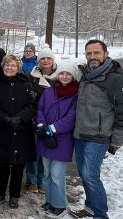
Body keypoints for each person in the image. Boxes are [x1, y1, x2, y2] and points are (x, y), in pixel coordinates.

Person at [68, 40, 123, 219]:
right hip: (81, 134)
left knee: (90, 176)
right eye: (89, 54)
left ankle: (100, 214)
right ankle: (90, 208)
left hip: (99, 137)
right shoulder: (85, 76)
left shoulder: (115, 80)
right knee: (84, 174)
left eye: (96, 53)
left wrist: (118, 139)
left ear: (106, 54)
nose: (92, 57)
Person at [0, 55, 37, 209]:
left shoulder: (26, 84)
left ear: (18, 67)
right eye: (7, 65)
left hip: (22, 130)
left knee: (18, 166)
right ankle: (0, 193)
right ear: (3, 66)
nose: (9, 68)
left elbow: (32, 105)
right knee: (4, 165)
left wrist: (20, 118)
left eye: (13, 65)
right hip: (3, 129)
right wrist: (6, 119)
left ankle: (14, 195)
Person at [36, 61, 81, 218]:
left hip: (62, 139)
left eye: (68, 73)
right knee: (47, 173)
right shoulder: (49, 91)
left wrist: (51, 129)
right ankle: (49, 201)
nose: (64, 76)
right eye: (62, 73)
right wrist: (41, 125)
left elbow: (71, 118)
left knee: (57, 175)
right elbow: (40, 108)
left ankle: (60, 205)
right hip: (45, 138)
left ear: (73, 76)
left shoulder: (76, 94)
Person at [26, 44, 58, 194]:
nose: (45, 61)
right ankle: (31, 181)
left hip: (52, 121)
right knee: (33, 152)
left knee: (45, 154)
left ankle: (43, 180)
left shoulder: (60, 77)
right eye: (42, 58)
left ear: (53, 60)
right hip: (33, 120)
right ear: (38, 61)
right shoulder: (31, 77)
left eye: (48, 58)